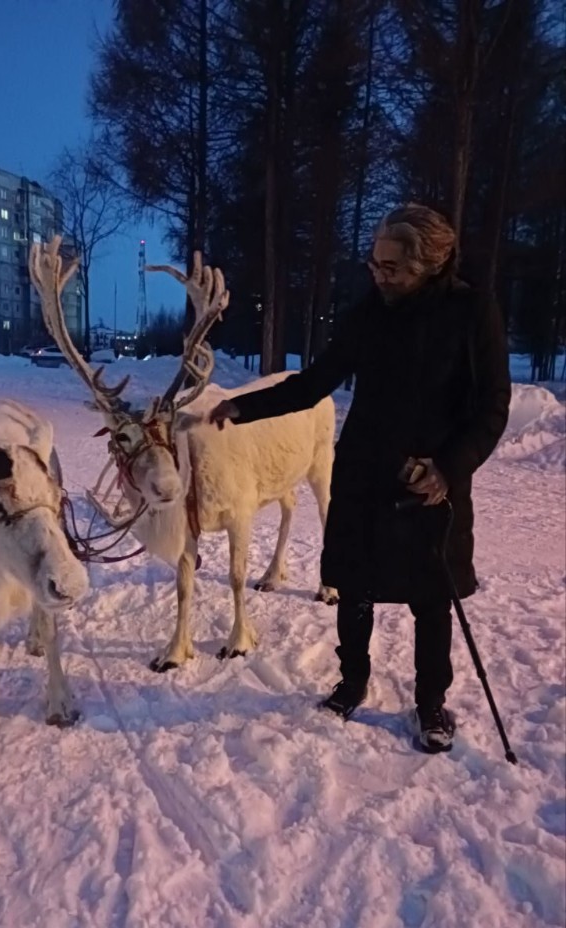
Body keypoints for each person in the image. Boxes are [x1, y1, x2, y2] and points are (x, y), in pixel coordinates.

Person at [208, 203, 511, 753]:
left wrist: (448, 468)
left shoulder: (471, 312)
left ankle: (430, 704)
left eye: (392, 267)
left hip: (431, 479)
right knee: (355, 586)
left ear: (430, 264)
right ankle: (351, 681)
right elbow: (313, 382)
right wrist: (242, 408)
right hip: (365, 473)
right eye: (375, 263)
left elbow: (493, 406)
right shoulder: (369, 313)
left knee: (431, 598)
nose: (380, 275)